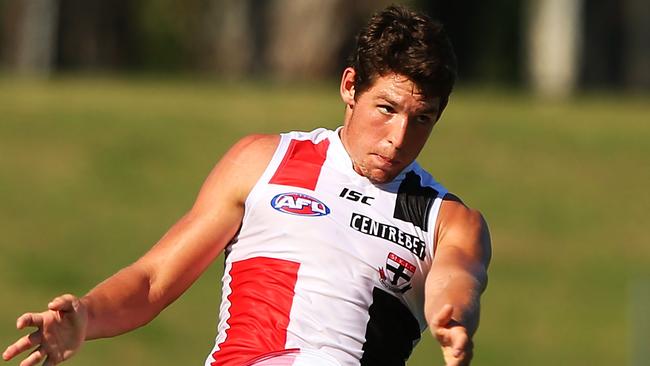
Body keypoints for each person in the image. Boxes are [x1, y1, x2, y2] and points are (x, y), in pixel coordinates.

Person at [2, 5, 491, 366]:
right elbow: (153, 280)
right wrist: (86, 315)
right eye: (386, 109)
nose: (400, 137)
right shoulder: (264, 161)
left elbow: (459, 275)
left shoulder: (446, 218)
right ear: (349, 87)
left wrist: (452, 315)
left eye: (422, 118)